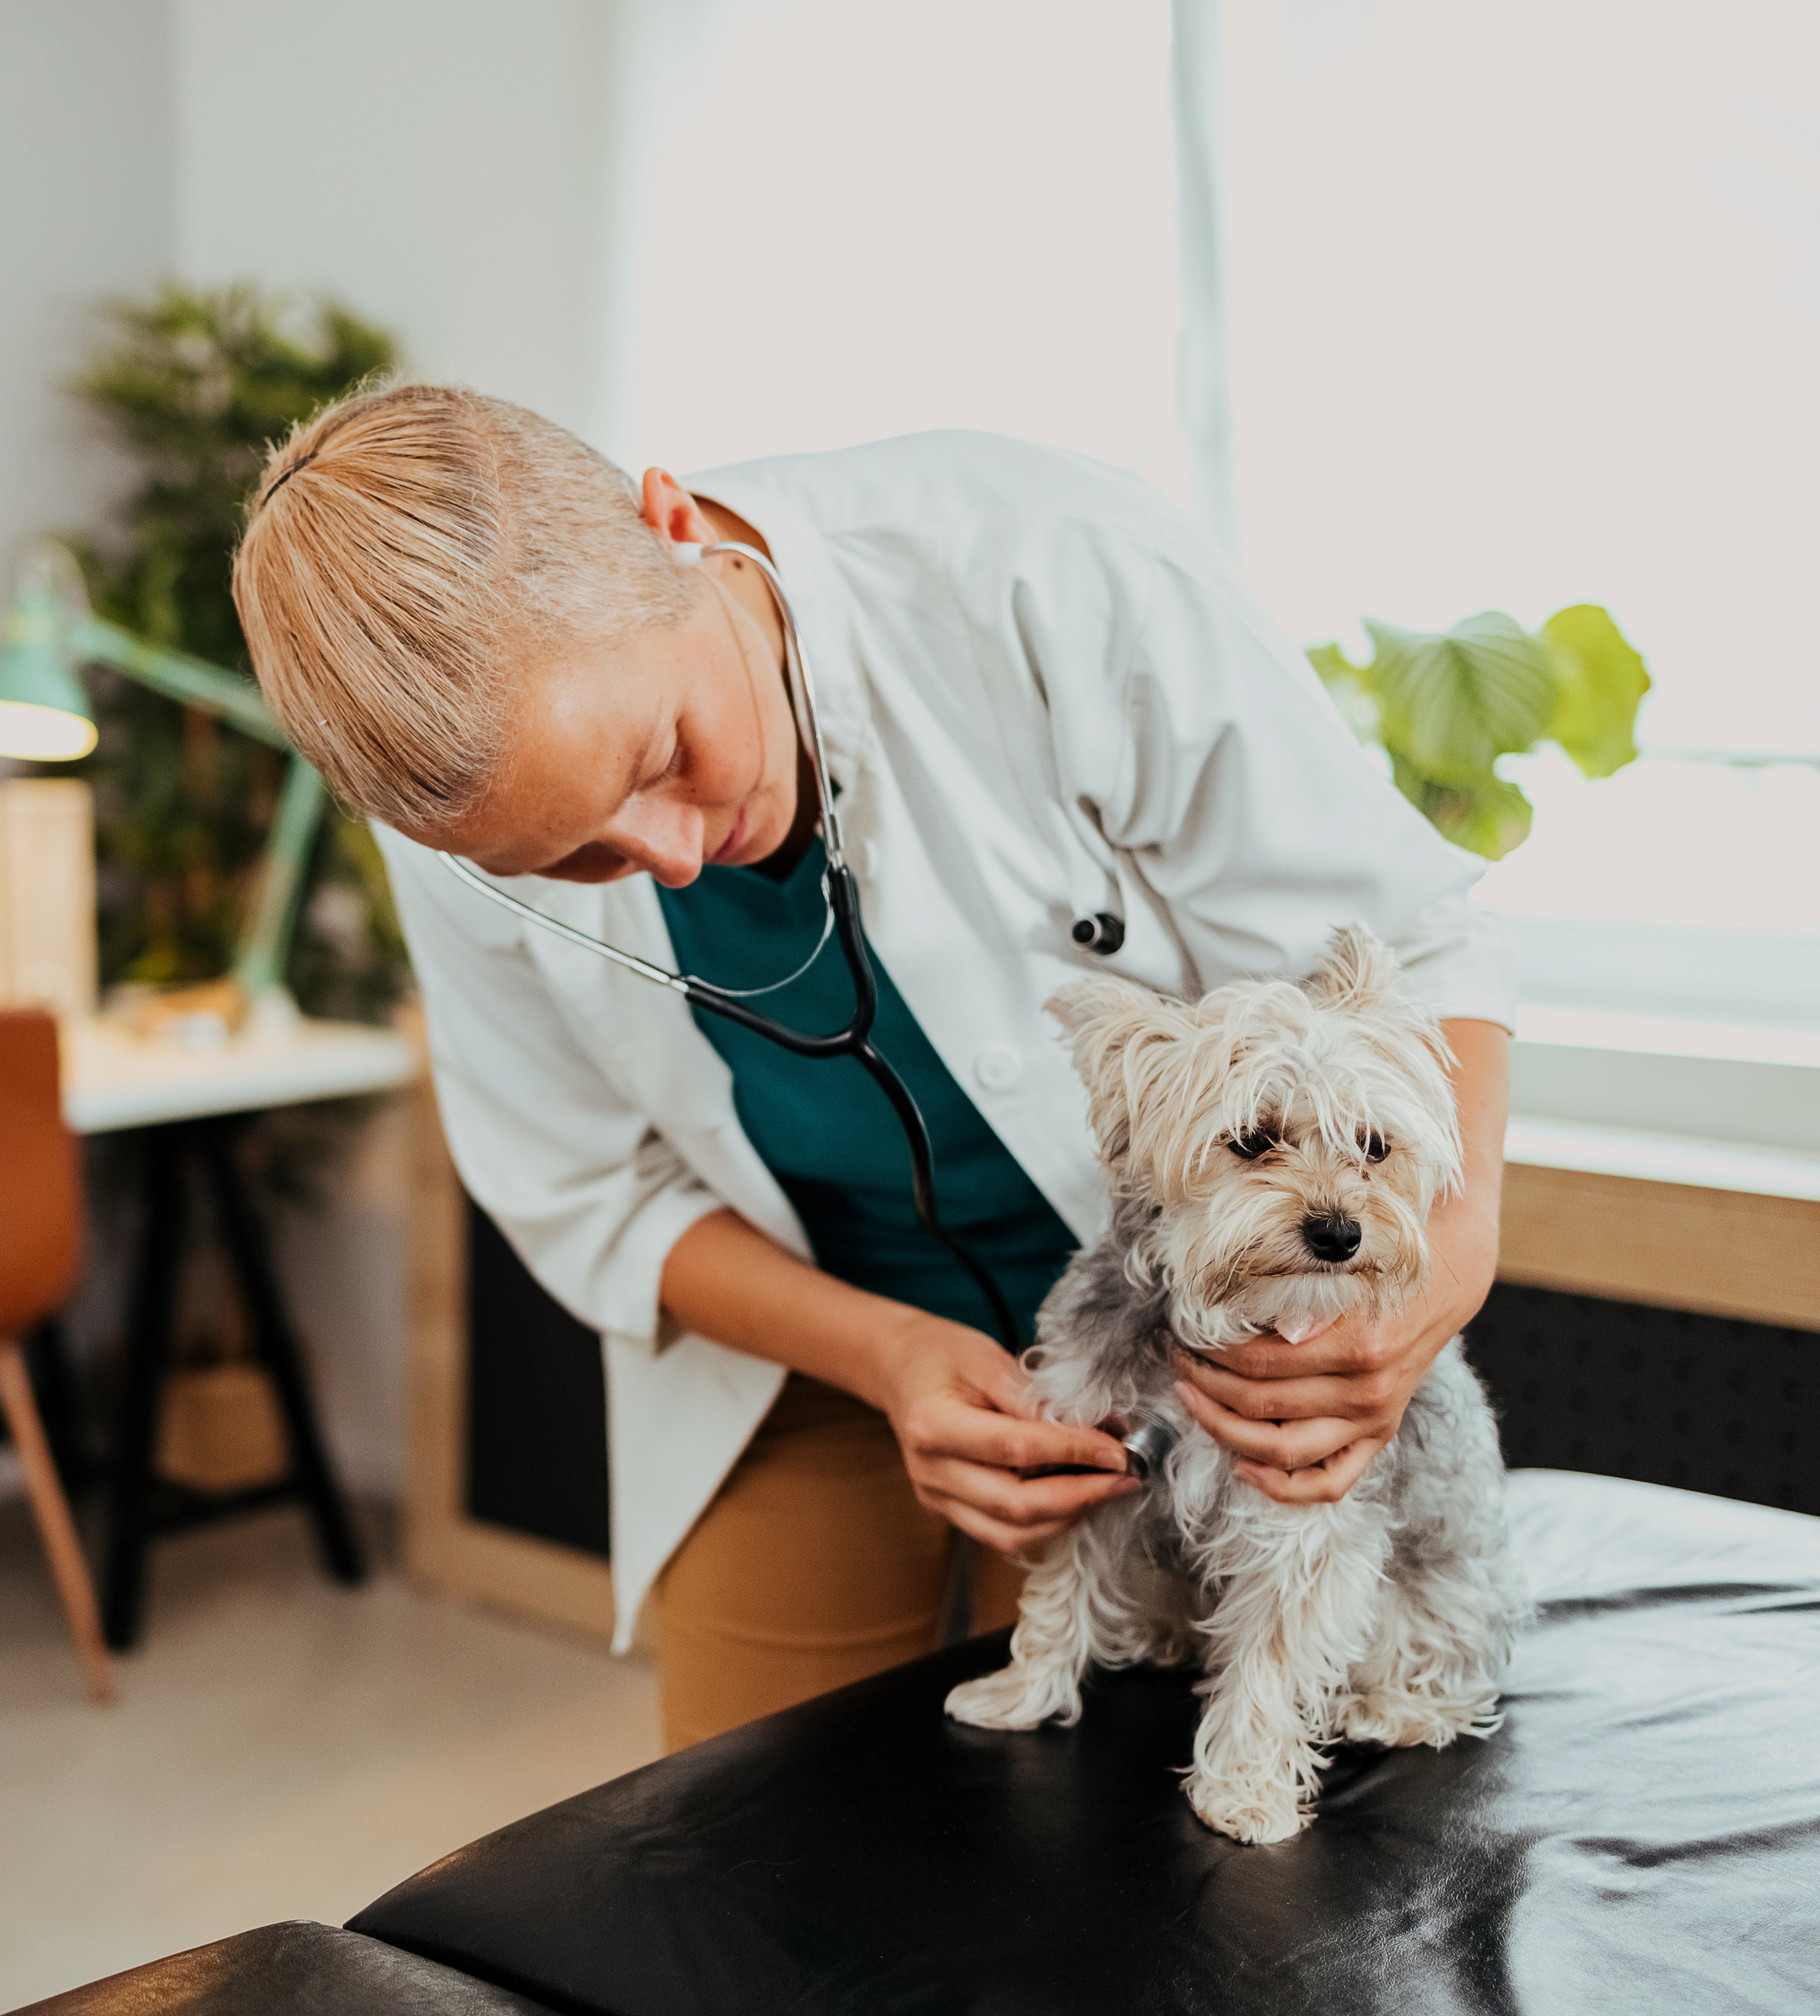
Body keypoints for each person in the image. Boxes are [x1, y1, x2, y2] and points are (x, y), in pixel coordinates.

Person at [230, 384, 1512, 1751]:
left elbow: (1408, 938)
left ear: (670, 530)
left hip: (1205, 1326)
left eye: (665, 753)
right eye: (570, 858)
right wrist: (888, 1356)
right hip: (814, 1341)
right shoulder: (453, 828)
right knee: (758, 1851)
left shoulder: (1040, 561)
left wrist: (1449, 1257)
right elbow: (589, 1192)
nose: (663, 856)